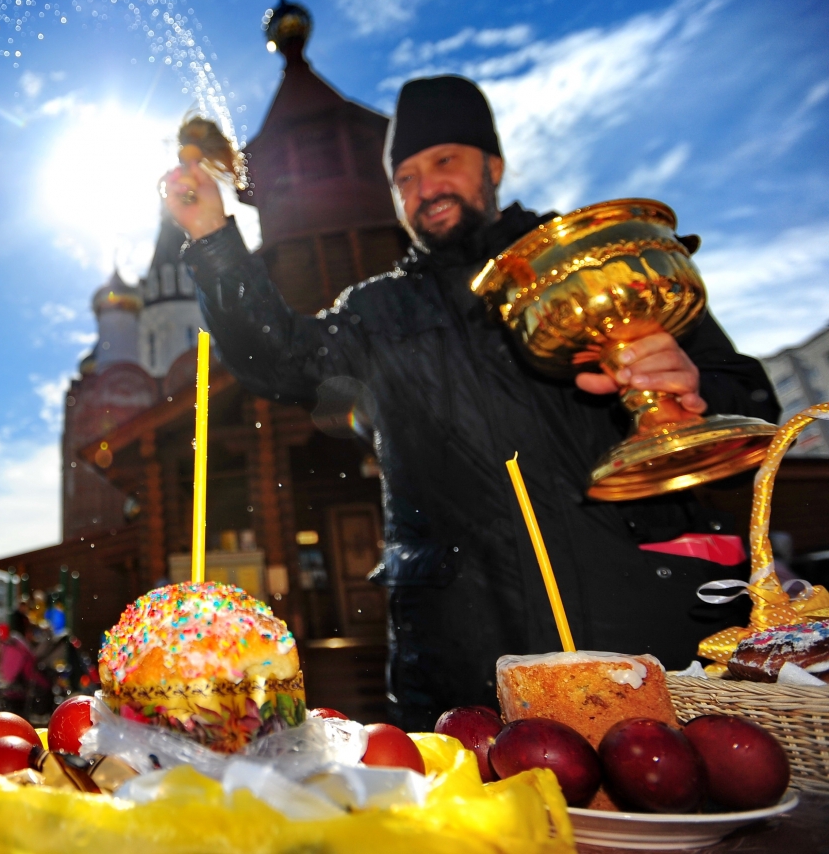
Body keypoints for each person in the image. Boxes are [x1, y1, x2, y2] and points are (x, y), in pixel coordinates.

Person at [162, 80, 779, 729]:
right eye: (403, 177)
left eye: (443, 162)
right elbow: (278, 355)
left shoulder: (598, 264)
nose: (424, 188)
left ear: (493, 165)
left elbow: (750, 407)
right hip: (465, 670)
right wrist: (210, 233)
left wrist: (691, 394)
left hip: (653, 642)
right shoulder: (380, 311)